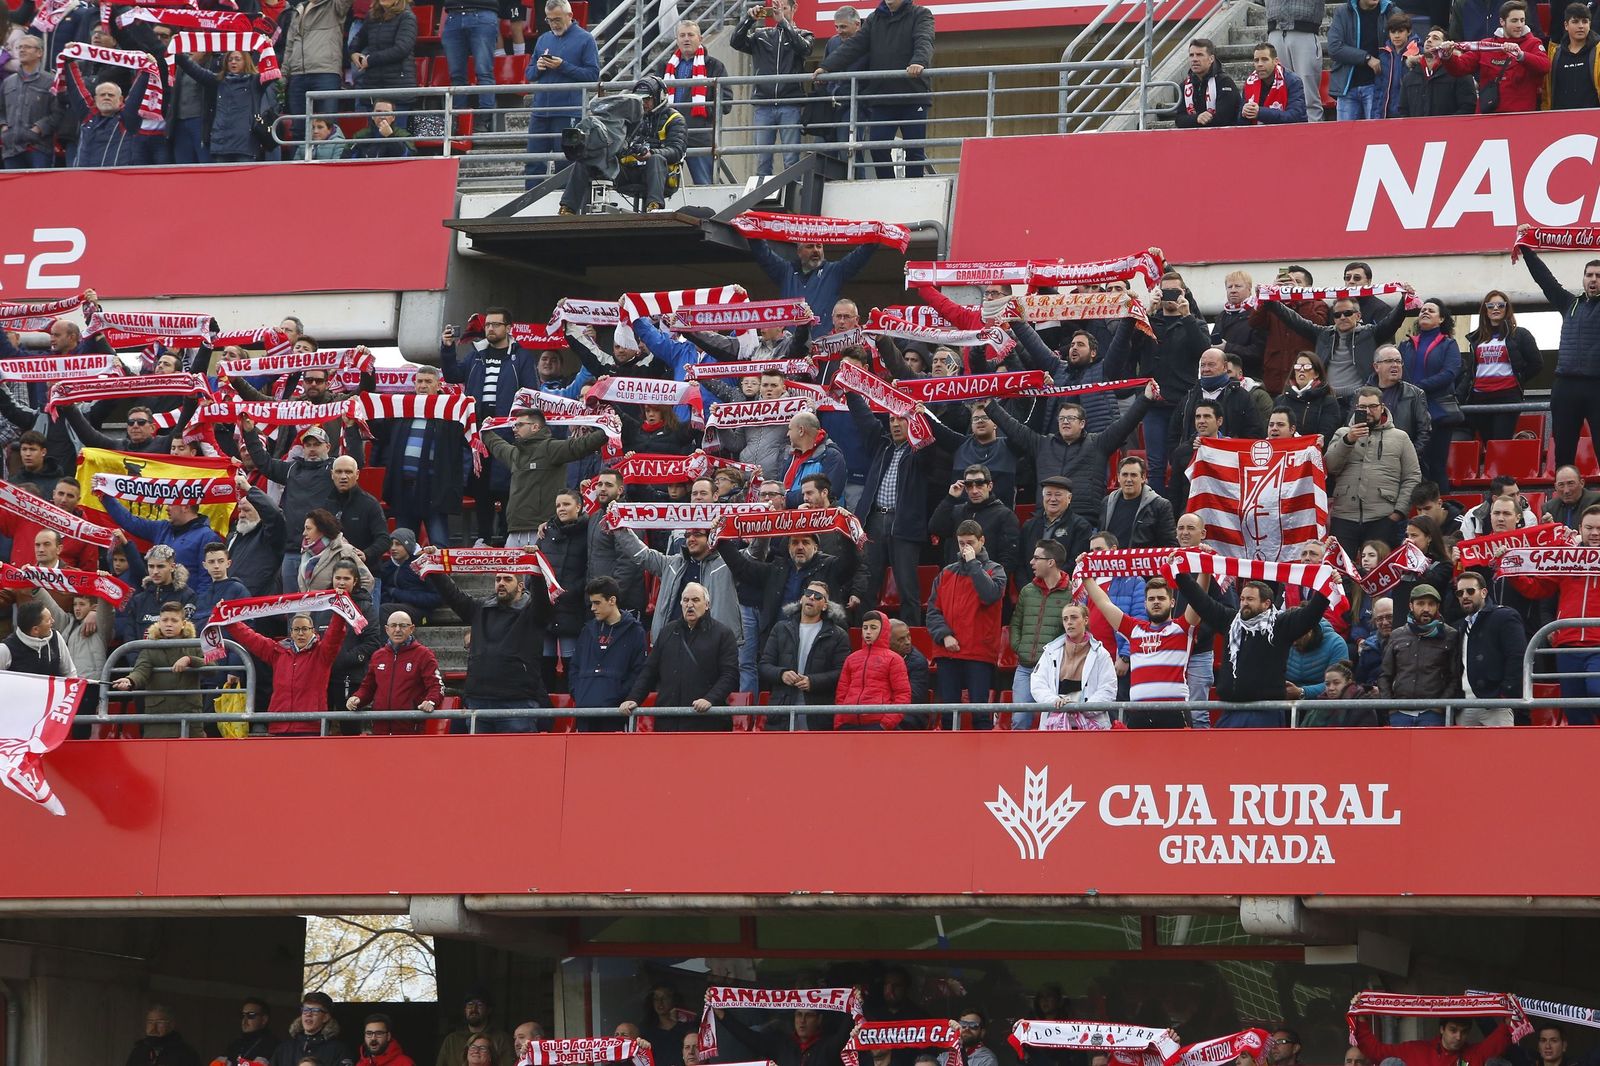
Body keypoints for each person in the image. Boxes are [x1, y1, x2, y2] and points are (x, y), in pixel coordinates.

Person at [985, 384, 1153, 530]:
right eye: (1062, 418)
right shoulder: (1042, 444)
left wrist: (1145, 399)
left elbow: (1126, 424)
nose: (1065, 422)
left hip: (1085, 521)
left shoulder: (1098, 443)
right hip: (1045, 520)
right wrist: (990, 406)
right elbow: (1014, 429)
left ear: (1082, 423)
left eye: (1071, 418)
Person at [1178, 573, 1331, 726]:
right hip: (1230, 711)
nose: (1244, 603)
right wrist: (1180, 575)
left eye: (1250, 599)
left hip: (1265, 713)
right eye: (1242, 599)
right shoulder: (1231, 621)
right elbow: (1202, 603)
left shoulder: (1281, 625)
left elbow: (1310, 615)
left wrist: (1326, 588)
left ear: (1267, 603)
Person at [811, 0, 936, 178]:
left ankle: (913, 190)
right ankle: (888, 187)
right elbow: (854, 46)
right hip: (882, 97)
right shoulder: (874, 19)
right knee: (877, 148)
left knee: (914, 151)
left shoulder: (921, 14)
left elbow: (925, 40)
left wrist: (919, 61)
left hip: (913, 94)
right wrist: (826, 66)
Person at [847, 394, 939, 625]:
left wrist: (922, 417)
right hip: (875, 521)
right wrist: (850, 392)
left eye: (902, 419)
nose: (896, 424)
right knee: (867, 585)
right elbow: (865, 419)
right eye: (891, 419)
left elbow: (930, 442)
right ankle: (863, 634)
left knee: (908, 588)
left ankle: (911, 638)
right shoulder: (883, 445)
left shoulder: (921, 451)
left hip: (904, 525)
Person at [1509, 503, 1600, 724]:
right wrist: (1512, 571)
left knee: (1596, 691)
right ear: (1580, 528)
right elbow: (1538, 588)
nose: (1595, 533)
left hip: (1598, 644)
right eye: (1589, 527)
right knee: (1573, 708)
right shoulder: (1566, 558)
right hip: (1567, 644)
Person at [558, 74, 686, 215]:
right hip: (626, 171)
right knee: (586, 159)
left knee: (655, 159)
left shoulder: (675, 119)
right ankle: (568, 208)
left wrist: (652, 153)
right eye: (640, 99)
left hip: (660, 174)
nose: (643, 103)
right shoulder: (627, 117)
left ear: (660, 97)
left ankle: (654, 208)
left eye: (647, 99)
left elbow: (677, 151)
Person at [621, 582, 741, 729]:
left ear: (707, 604)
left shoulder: (723, 634)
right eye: (686, 600)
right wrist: (634, 698)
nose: (690, 604)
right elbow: (649, 671)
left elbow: (730, 675)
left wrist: (710, 699)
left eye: (696, 600)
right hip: (668, 722)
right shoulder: (667, 631)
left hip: (706, 721)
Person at [485, 406, 608, 543]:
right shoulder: (515, 454)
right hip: (514, 532)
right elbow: (496, 445)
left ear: (535, 427)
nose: (514, 428)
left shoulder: (550, 448)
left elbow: (581, 445)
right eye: (514, 425)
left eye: (519, 425)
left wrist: (607, 430)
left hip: (543, 531)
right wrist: (482, 429)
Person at [1083, 574, 1194, 726]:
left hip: (1174, 713)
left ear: (1172, 602)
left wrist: (1205, 569)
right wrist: (1085, 577)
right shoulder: (1134, 629)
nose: (1156, 602)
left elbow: (1198, 600)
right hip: (1138, 714)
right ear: (1145, 603)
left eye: (1161, 598)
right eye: (1151, 599)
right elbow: (1104, 603)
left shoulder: (1182, 627)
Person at [926, 521, 1007, 726]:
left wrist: (973, 565)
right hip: (947, 651)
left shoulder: (995, 570)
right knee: (948, 714)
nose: (965, 548)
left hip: (978, 652)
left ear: (982, 541)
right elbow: (933, 611)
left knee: (980, 713)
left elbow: (989, 595)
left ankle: (983, 757)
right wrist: (945, 635)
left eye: (970, 542)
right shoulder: (946, 573)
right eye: (961, 543)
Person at [1326, 387, 1422, 556]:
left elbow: (1412, 476)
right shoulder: (1342, 433)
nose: (1367, 411)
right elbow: (1329, 467)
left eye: (1372, 406)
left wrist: (1398, 512)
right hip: (1344, 515)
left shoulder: (1400, 437)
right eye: (1362, 407)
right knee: (1341, 572)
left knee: (1378, 573)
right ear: (1355, 408)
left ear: (1382, 407)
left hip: (1382, 517)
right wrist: (1348, 440)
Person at [229, 612, 348, 735]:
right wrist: (229, 621)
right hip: (278, 725)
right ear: (291, 632)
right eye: (296, 629)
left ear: (313, 631)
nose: (300, 633)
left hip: (310, 727)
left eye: (305, 629)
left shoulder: (322, 654)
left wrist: (339, 612)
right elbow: (250, 638)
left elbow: (335, 634)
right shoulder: (278, 652)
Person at [733, 0, 814, 176]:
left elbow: (804, 49)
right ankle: (763, 199)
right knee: (763, 160)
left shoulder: (804, 34)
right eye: (776, 9)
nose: (780, 12)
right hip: (764, 104)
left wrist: (783, 23)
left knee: (791, 159)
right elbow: (736, 42)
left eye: (784, 8)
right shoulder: (761, 35)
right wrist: (749, 19)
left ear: (794, 9)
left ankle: (794, 197)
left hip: (790, 104)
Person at [524, 0, 598, 184]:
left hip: (568, 111)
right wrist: (539, 67)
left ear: (570, 16)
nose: (553, 24)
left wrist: (563, 66)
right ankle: (530, 204)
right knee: (534, 162)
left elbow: (592, 75)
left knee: (566, 163)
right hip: (540, 111)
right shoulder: (543, 39)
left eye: (557, 19)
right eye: (549, 20)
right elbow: (529, 73)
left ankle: (566, 206)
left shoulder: (586, 39)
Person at [760, 577, 850, 726]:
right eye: (808, 593)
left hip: (817, 711)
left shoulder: (838, 635)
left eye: (818, 596)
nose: (812, 597)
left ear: (825, 606)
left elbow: (842, 673)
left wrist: (813, 682)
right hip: (783, 707)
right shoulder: (780, 628)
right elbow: (764, 666)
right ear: (802, 599)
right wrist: (782, 674)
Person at [1398, 298, 1464, 490]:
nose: (1425, 312)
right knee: (1414, 468)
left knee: (1436, 466)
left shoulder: (1448, 344)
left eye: (1431, 311)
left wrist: (1419, 387)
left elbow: (1451, 372)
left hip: (1438, 413)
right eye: (1422, 310)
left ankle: (1440, 510)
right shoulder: (1406, 345)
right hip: (1411, 413)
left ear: (1442, 318)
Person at [1461, 290, 1543, 443]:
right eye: (1490, 305)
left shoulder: (1520, 334)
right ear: (1485, 310)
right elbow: (1472, 372)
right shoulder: (1476, 338)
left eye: (1500, 305)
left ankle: (1503, 468)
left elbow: (1536, 363)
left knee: (1500, 443)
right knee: (1488, 443)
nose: (1495, 308)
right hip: (1480, 398)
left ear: (1507, 308)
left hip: (1507, 397)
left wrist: (1516, 380)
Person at [111, 602, 201, 738]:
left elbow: (213, 668)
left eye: (174, 620)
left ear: (183, 623)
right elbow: (141, 670)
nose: (168, 624)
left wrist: (190, 659)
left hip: (189, 713)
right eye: (164, 620)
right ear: (159, 622)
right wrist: (129, 680)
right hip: (158, 717)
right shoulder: (149, 647)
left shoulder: (195, 645)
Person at [1376, 583, 1462, 725]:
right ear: (1411, 606)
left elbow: (1455, 677)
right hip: (1399, 713)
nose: (1426, 609)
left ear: (1438, 607)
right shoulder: (1397, 635)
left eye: (1431, 604)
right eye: (1421, 604)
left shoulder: (1450, 635)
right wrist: (1390, 707)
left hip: (1433, 715)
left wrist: (1439, 707)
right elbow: (1385, 675)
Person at [1009, 540, 1073, 728]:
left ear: (1051, 562)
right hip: (1025, 667)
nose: (1031, 562)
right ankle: (1019, 758)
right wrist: (1018, 647)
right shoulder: (1027, 591)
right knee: (1019, 720)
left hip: (1055, 671)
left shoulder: (1072, 592)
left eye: (1037, 558)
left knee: (1054, 722)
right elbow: (1016, 623)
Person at [345, 611, 441, 735]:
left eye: (403, 626)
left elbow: (436, 686)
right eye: (393, 625)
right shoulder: (378, 655)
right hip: (380, 730)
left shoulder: (424, 655)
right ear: (386, 629)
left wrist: (431, 701)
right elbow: (368, 687)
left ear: (412, 629)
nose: (397, 629)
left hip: (411, 731)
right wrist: (357, 697)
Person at [569, 576, 646, 730]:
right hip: (584, 711)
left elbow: (638, 671)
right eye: (591, 603)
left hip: (616, 714)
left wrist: (618, 695)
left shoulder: (635, 632)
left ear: (612, 600)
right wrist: (578, 692)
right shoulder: (587, 630)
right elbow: (574, 667)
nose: (592, 608)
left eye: (597, 603)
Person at [1444, 0, 1551, 110]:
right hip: (1489, 116)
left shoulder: (1533, 43)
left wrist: (1521, 55)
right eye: (1514, 21)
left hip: (1520, 116)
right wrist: (1447, 57)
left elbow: (1545, 66)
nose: (1519, 25)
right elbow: (1460, 68)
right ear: (1502, 21)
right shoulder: (1487, 45)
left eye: (1522, 20)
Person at [1453, 570, 1526, 726]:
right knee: (1464, 751)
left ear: (1484, 592)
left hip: (1496, 704)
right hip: (1465, 704)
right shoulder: (1461, 625)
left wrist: (1505, 694)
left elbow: (1517, 656)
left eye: (1470, 591)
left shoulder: (1504, 616)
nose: (1465, 595)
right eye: (1460, 593)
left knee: (1501, 750)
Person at [174, 49, 272, 163]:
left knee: (244, 181)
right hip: (221, 144)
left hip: (245, 145)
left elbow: (273, 74)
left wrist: (267, 50)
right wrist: (178, 54)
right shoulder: (219, 81)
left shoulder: (255, 81)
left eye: (237, 59)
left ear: (246, 61)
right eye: (230, 60)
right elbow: (195, 70)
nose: (233, 62)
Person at [1030, 602, 1117, 730]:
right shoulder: (1050, 652)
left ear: (1085, 620)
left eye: (1074, 617)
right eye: (1065, 619)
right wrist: (1054, 702)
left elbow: (1108, 689)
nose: (1069, 622)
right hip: (1054, 727)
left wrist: (1084, 708)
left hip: (1092, 728)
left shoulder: (1101, 654)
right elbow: (1038, 684)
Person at [663, 19, 730, 186]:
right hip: (668, 134)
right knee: (664, 187)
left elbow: (726, 101)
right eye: (682, 35)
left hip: (699, 135)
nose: (686, 39)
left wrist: (702, 114)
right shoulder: (664, 67)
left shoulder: (715, 66)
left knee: (704, 185)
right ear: (677, 40)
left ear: (700, 38)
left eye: (691, 35)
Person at [282, 0, 354, 149]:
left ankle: (330, 167)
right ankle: (297, 168)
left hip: (325, 72)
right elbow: (290, 46)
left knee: (329, 127)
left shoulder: (334, 5)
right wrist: (284, 75)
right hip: (297, 74)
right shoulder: (298, 9)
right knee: (298, 129)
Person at [928, 464, 1021, 573]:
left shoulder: (1005, 515)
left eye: (980, 484)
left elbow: (1009, 557)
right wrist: (950, 498)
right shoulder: (957, 511)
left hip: (988, 581)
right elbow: (935, 528)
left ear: (990, 486)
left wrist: (993, 582)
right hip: (958, 578)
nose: (974, 490)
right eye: (969, 486)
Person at [707, 1002, 854, 1066]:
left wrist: (855, 1005)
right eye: (798, 1015)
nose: (802, 1021)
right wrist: (723, 1016)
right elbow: (749, 1038)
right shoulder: (783, 1046)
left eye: (808, 1016)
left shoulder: (828, 1047)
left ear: (819, 1020)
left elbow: (844, 1034)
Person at [1349, 1010, 1514, 1066]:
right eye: (1453, 1030)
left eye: (1463, 1032)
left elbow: (1502, 1036)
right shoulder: (1414, 1050)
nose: (1458, 1037)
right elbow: (1376, 1052)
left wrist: (1510, 1019)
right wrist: (1361, 1020)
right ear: (1442, 1029)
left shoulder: (1476, 1054)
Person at [834, 610, 911, 727]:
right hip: (849, 724)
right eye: (865, 628)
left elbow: (903, 695)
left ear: (884, 630)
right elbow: (841, 695)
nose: (868, 632)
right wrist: (839, 723)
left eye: (873, 627)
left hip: (878, 725)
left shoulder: (894, 659)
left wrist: (886, 724)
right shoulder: (851, 659)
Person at [1329, 0, 1399, 119]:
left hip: (1377, 87)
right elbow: (1334, 48)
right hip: (1347, 88)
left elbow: (1405, 42)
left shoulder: (1391, 12)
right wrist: (1367, 58)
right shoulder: (1342, 12)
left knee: (1375, 136)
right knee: (1345, 137)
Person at [352, 0, 419, 120]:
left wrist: (370, 60)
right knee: (374, 137)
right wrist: (353, 53)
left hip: (398, 88)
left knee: (395, 136)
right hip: (373, 87)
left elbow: (401, 49)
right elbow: (358, 39)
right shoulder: (372, 17)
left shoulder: (407, 17)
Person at [1399, 24, 1481, 113]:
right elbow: (1403, 110)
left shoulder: (1459, 72)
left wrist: (1449, 126)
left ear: (1446, 45)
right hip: (1418, 127)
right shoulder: (1410, 77)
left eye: (1435, 38)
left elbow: (1468, 107)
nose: (1429, 40)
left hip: (1449, 126)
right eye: (1427, 38)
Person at [0, 36, 55, 169]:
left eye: (27, 47)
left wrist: (39, 128)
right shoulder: (8, 82)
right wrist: (3, 126)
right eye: (19, 47)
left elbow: (58, 112)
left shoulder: (51, 81)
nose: (22, 50)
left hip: (39, 148)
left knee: (39, 188)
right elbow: (1, 110)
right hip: (11, 148)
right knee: (14, 189)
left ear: (39, 53)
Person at [1267, 0, 1326, 120]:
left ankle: (1314, 133)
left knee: (1308, 94)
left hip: (1305, 29)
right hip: (1275, 29)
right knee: (1277, 92)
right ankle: (1282, 135)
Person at [1102, 456, 1177, 548]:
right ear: (1118, 477)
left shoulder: (1160, 506)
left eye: (1133, 475)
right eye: (1125, 475)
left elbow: (1170, 546)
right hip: (1113, 561)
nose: (1129, 480)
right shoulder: (1106, 503)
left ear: (1143, 478)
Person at [270, 992, 354, 1066]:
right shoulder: (284, 1048)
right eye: (305, 1009)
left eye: (315, 1010)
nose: (308, 1014)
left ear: (325, 1017)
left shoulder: (338, 1050)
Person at [1278, 352, 1343, 446]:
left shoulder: (1328, 402)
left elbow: (1326, 436)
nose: (1301, 370)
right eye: (1298, 366)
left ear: (1316, 374)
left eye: (1307, 366)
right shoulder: (1281, 400)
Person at [1173, 37, 1241, 125]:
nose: (1194, 59)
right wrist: (1197, 118)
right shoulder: (1185, 85)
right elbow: (1179, 120)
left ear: (1211, 59)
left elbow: (1224, 118)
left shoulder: (1224, 82)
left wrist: (1199, 120)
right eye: (1191, 55)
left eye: (1199, 55)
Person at [1545, 3, 1600, 108]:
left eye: (1585, 22)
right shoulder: (1555, 54)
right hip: (1560, 118)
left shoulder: (1598, 52)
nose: (1581, 26)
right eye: (1575, 22)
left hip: (1593, 118)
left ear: (1590, 24)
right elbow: (1546, 91)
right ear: (1566, 25)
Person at [437, 992, 512, 1066]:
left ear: (489, 1010)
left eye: (479, 1005)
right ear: (465, 1010)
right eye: (470, 1004)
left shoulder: (502, 1039)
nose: (474, 1009)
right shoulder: (451, 1040)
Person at [1241, 42, 1309, 121]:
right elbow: (1240, 121)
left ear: (1276, 61)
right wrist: (1244, 112)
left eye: (1264, 59)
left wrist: (1260, 113)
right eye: (1256, 60)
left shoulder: (1293, 81)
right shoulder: (1250, 82)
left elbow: (1296, 116)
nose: (1259, 64)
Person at [125, 1004, 202, 1066]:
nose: (153, 1028)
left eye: (159, 1022)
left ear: (171, 1025)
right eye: (150, 1022)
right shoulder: (139, 1051)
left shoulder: (186, 1053)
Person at [221, 998, 281, 1066]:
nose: (244, 1021)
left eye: (251, 1015)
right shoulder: (235, 1045)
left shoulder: (273, 1046)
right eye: (242, 1015)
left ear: (264, 1020)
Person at [346, 100, 412, 159]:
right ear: (372, 116)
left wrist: (390, 136)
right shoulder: (361, 135)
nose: (382, 116)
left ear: (393, 117)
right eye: (378, 112)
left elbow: (407, 157)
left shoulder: (403, 135)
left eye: (386, 113)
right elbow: (346, 158)